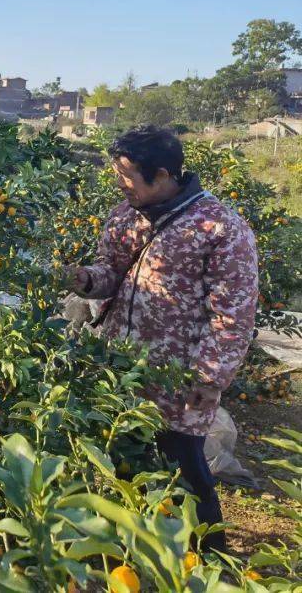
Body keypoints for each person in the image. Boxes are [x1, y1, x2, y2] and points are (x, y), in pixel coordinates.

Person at [66, 125, 258, 552]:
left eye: (128, 175)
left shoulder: (220, 228)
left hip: (178, 381)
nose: (120, 184)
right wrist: (86, 280)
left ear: (164, 174)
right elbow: (110, 273)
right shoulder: (125, 216)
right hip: (121, 370)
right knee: (125, 461)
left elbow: (233, 312)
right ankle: (135, 546)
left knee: (184, 471)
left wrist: (209, 378)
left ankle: (209, 559)